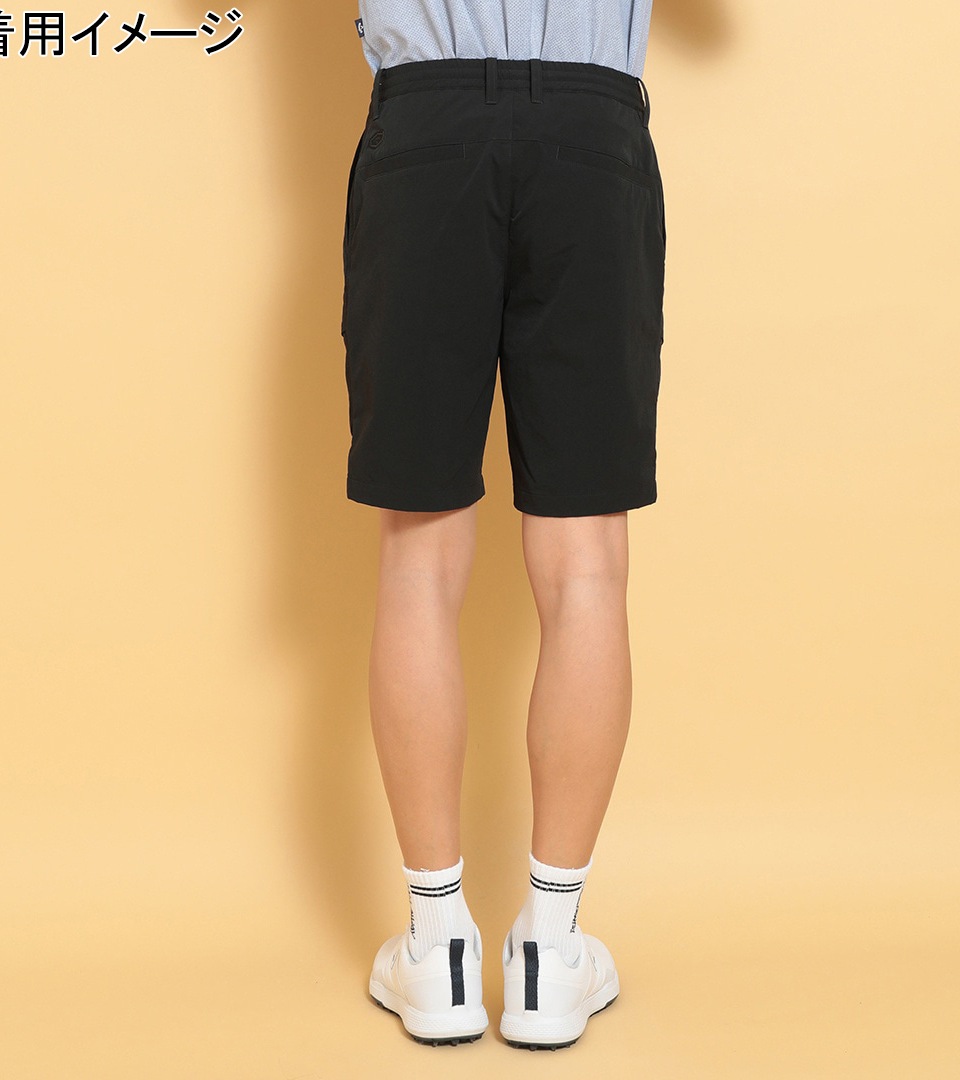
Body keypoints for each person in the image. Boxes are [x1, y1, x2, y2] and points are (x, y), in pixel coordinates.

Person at [340, 0, 664, 1051]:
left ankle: (436, 946)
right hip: (590, 132)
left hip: (425, 131)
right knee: (586, 564)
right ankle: (550, 955)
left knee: (419, 557)